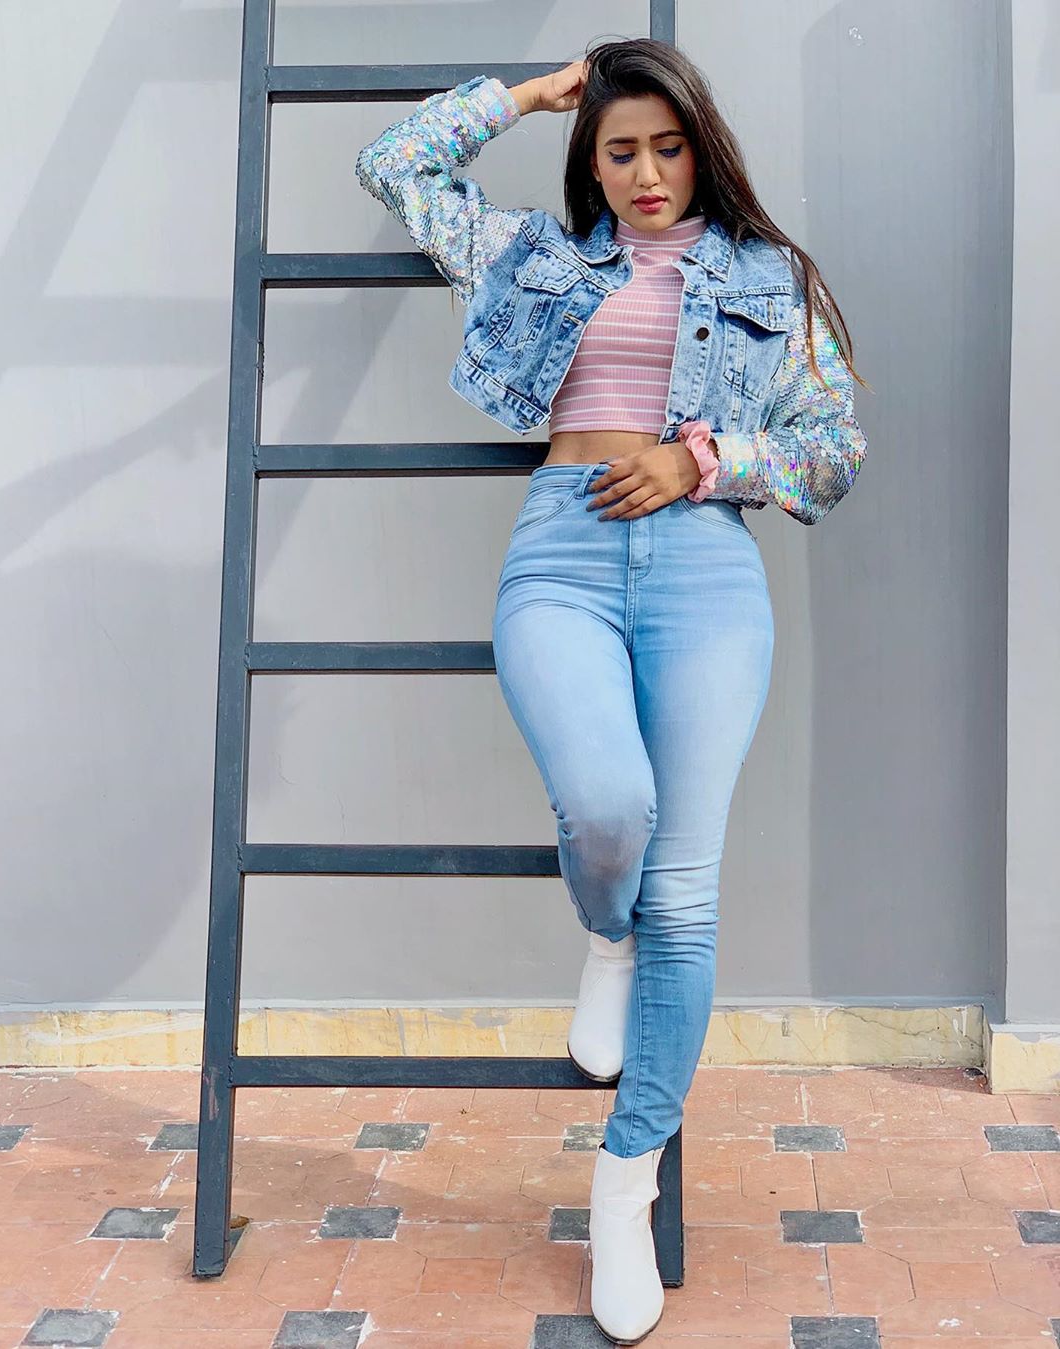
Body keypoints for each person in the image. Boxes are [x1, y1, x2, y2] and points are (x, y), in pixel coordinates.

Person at [355, 37, 868, 1345]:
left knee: (687, 892)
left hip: (706, 572)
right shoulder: (536, 255)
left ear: (704, 149)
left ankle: (624, 1185)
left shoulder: (771, 277)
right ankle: (605, 933)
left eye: (668, 148)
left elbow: (831, 451)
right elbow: (395, 163)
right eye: (620, 149)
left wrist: (703, 459)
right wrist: (530, 96)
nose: (646, 174)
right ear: (591, 160)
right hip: (562, 553)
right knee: (605, 806)